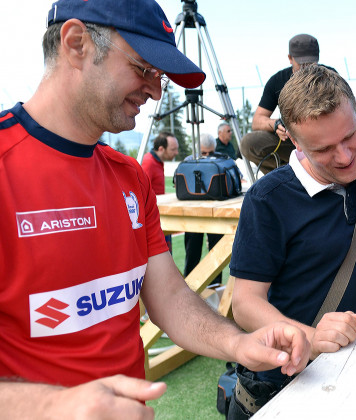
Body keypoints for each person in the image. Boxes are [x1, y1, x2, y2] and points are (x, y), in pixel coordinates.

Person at [0, 1, 311, 418]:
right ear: (76, 44)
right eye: (144, 68)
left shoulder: (128, 175)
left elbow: (167, 297)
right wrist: (53, 405)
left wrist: (237, 343)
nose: (156, 90)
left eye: (160, 76)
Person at [229, 65, 356, 418]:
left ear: (355, 111)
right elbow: (245, 303)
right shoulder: (268, 198)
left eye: (350, 136)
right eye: (323, 149)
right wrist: (308, 335)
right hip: (292, 385)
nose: (345, 156)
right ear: (292, 138)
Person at [239, 34, 336, 175]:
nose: (306, 69)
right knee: (249, 143)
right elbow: (257, 120)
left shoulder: (331, 76)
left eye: (311, 64)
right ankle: (285, 177)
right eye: (302, 65)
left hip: (323, 140)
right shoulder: (277, 81)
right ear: (290, 59)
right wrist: (275, 124)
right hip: (290, 142)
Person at [184, 133, 223, 286]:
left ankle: (215, 287)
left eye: (210, 153)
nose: (207, 156)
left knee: (216, 254)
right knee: (192, 252)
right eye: (203, 153)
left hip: (216, 213)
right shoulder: (188, 161)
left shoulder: (221, 160)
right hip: (194, 214)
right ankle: (189, 287)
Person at [142, 131, 179, 251]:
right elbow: (142, 192)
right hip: (155, 221)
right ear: (162, 149)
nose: (176, 153)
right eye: (173, 149)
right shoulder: (149, 162)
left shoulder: (157, 162)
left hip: (161, 217)